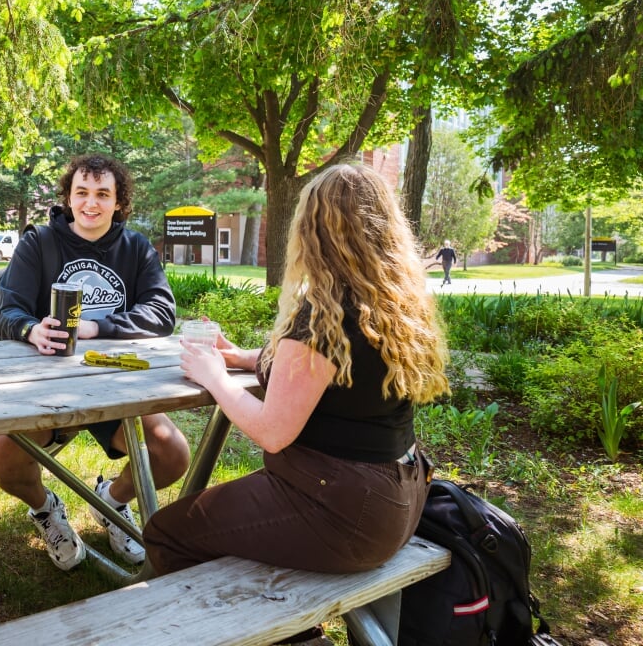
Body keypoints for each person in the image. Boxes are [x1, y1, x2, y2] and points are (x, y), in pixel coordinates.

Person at [144, 163, 450, 609]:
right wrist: (243, 357)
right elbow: (333, 373)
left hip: (343, 513)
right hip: (399, 498)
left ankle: (270, 632)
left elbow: (272, 431)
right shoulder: (391, 302)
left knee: (165, 533)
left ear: (313, 229)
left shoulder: (324, 314)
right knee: (228, 531)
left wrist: (212, 374)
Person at [0, 153, 190, 570]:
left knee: (171, 454)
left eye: (103, 194)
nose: (91, 203)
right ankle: (46, 508)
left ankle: (111, 502)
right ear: (68, 197)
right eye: (82, 193)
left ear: (119, 202)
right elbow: (7, 312)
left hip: (117, 384)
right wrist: (32, 330)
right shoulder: (38, 243)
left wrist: (97, 328)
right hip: (43, 387)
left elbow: (162, 312)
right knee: (3, 457)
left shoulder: (135, 248)